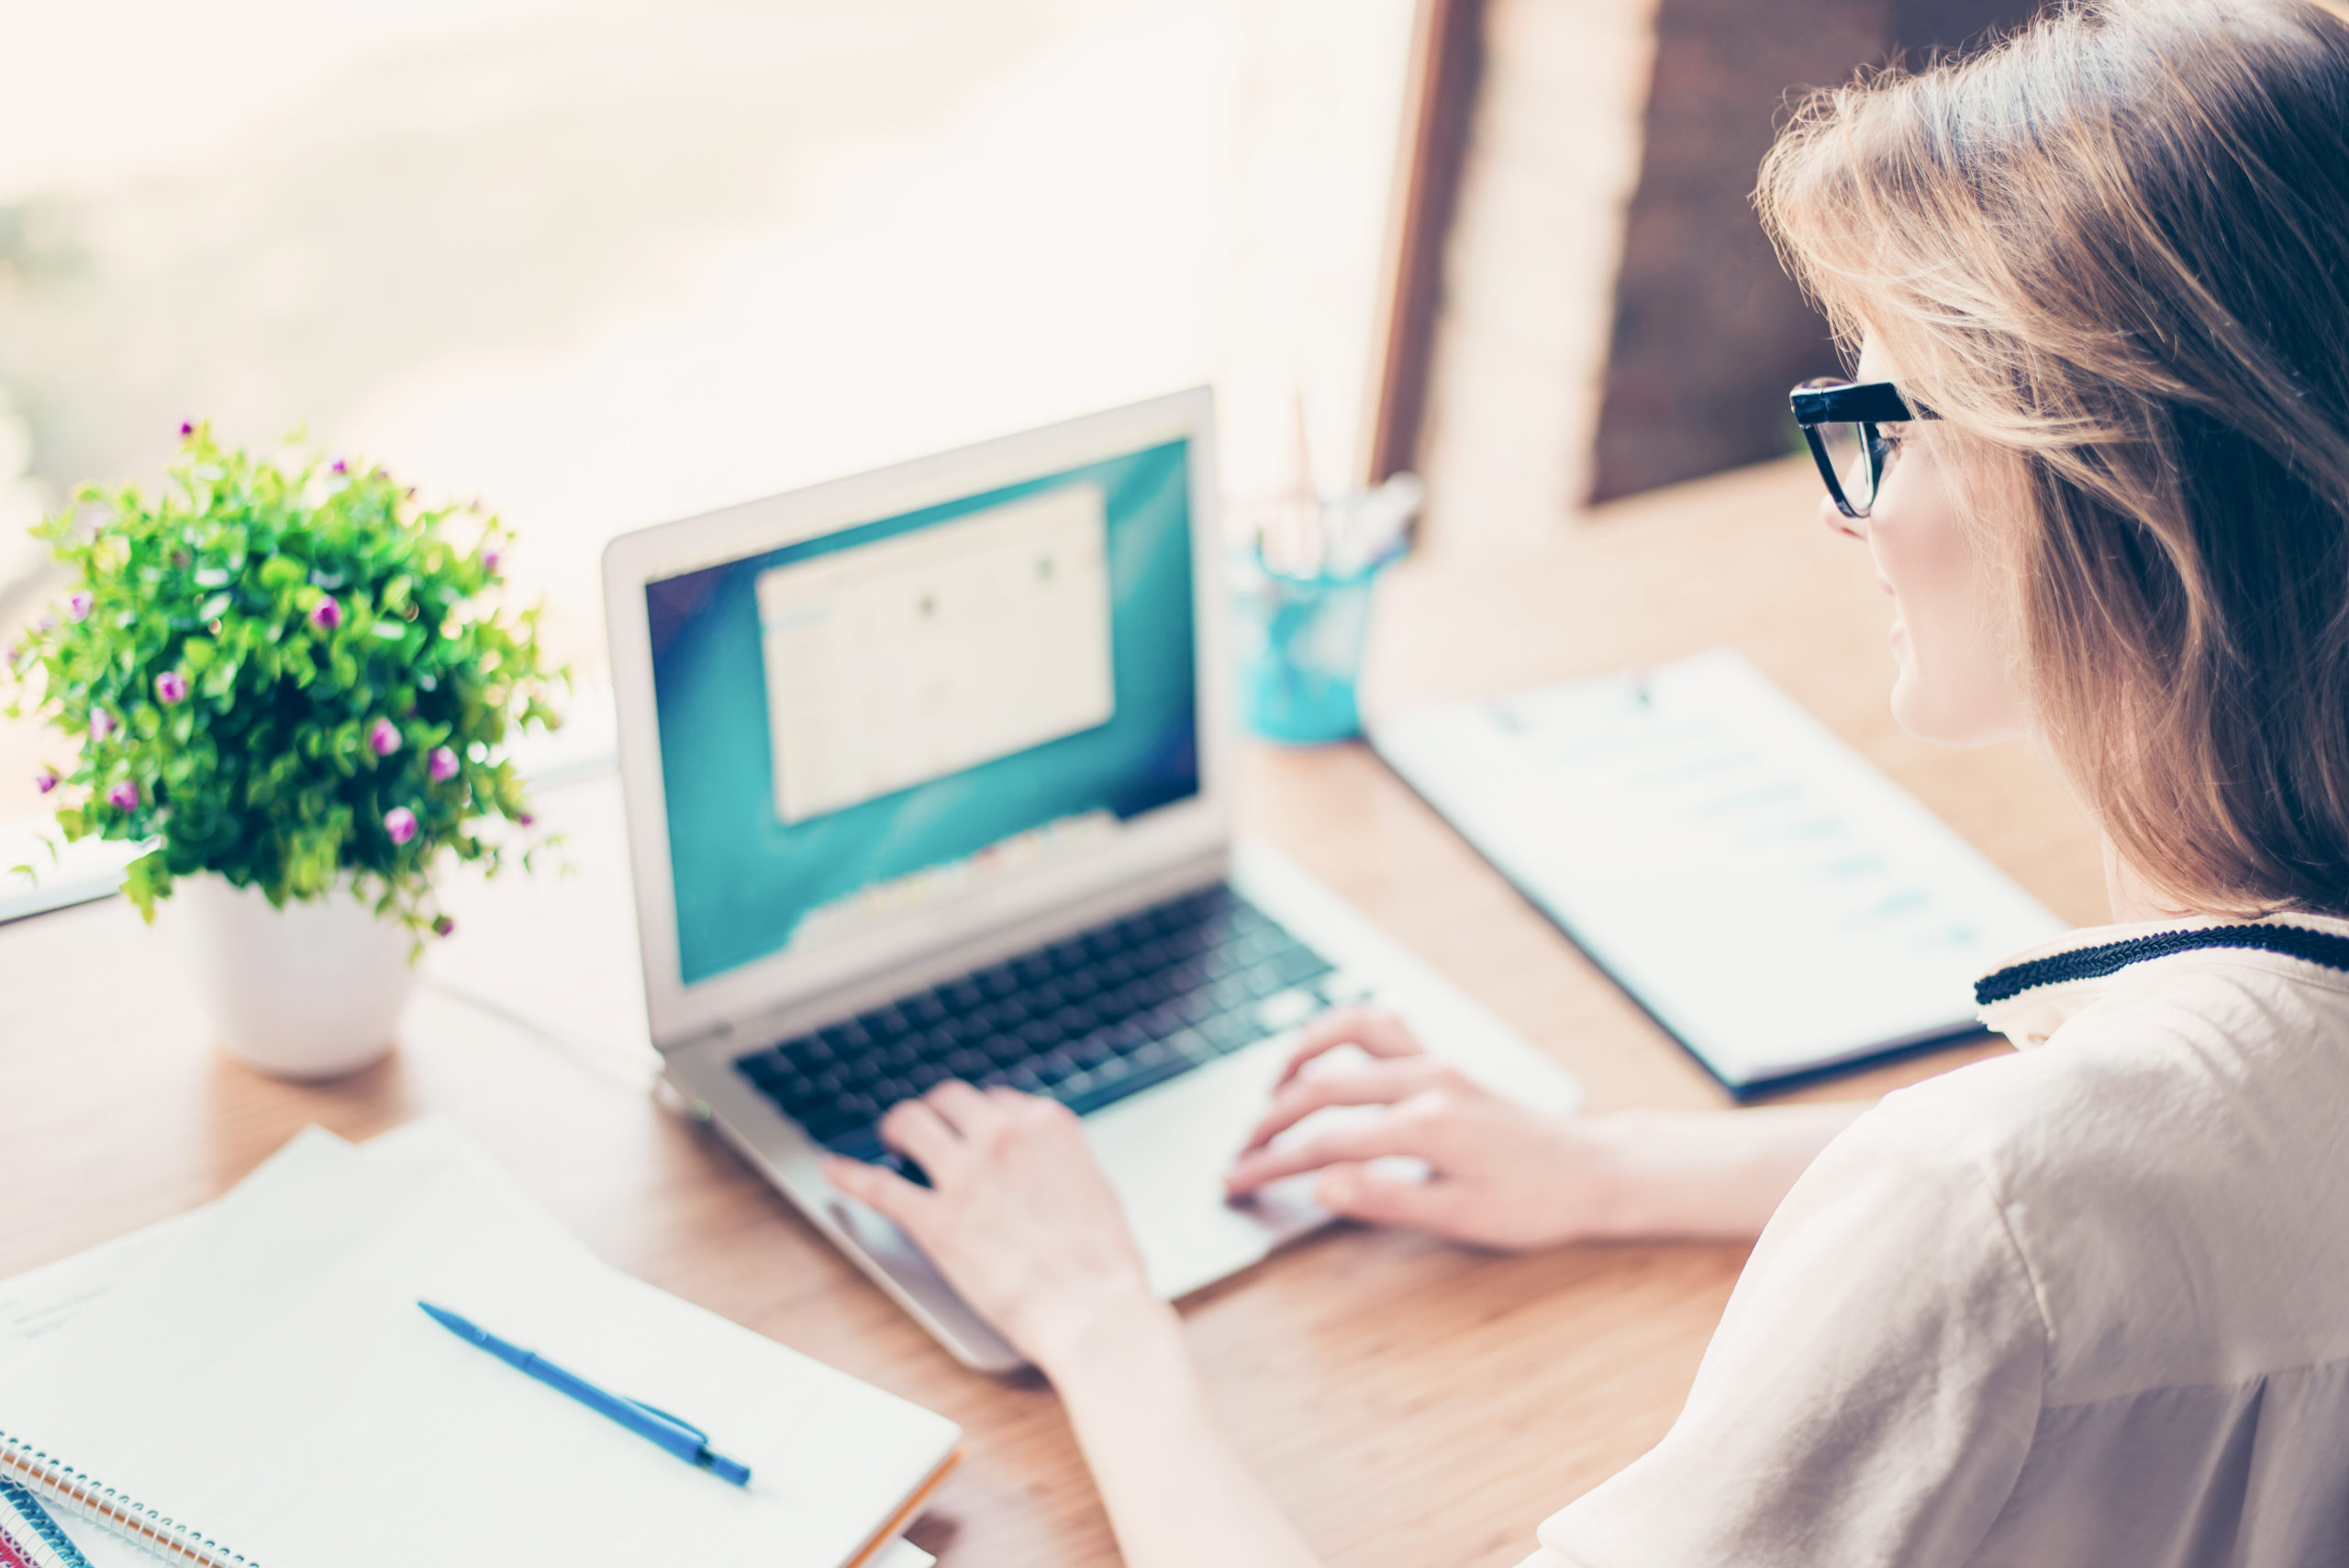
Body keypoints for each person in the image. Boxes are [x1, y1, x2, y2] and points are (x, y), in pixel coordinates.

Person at [824, 2, 2349, 1561]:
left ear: (2106, 495)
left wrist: (1100, 1320)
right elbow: (2153, 1188)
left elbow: (2021, 1230)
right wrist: (1605, 1165)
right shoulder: (2139, 1144)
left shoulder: (1981, 1207)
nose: (1847, 512)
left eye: (1882, 420)